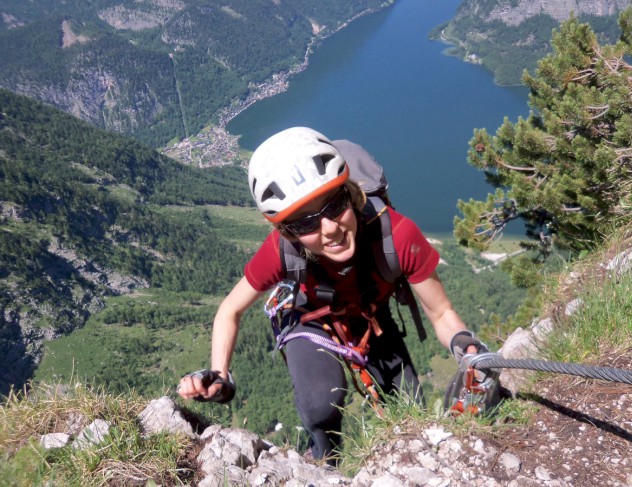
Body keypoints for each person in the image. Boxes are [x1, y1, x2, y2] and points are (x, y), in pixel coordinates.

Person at [177, 127, 481, 464]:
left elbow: (441, 314)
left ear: (350, 193)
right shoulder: (282, 251)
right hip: (310, 316)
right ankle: (322, 464)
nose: (330, 229)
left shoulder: (395, 235)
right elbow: (230, 310)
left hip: (370, 316)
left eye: (335, 205)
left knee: (411, 411)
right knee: (321, 405)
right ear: (287, 231)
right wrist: (220, 375)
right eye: (307, 224)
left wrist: (467, 349)